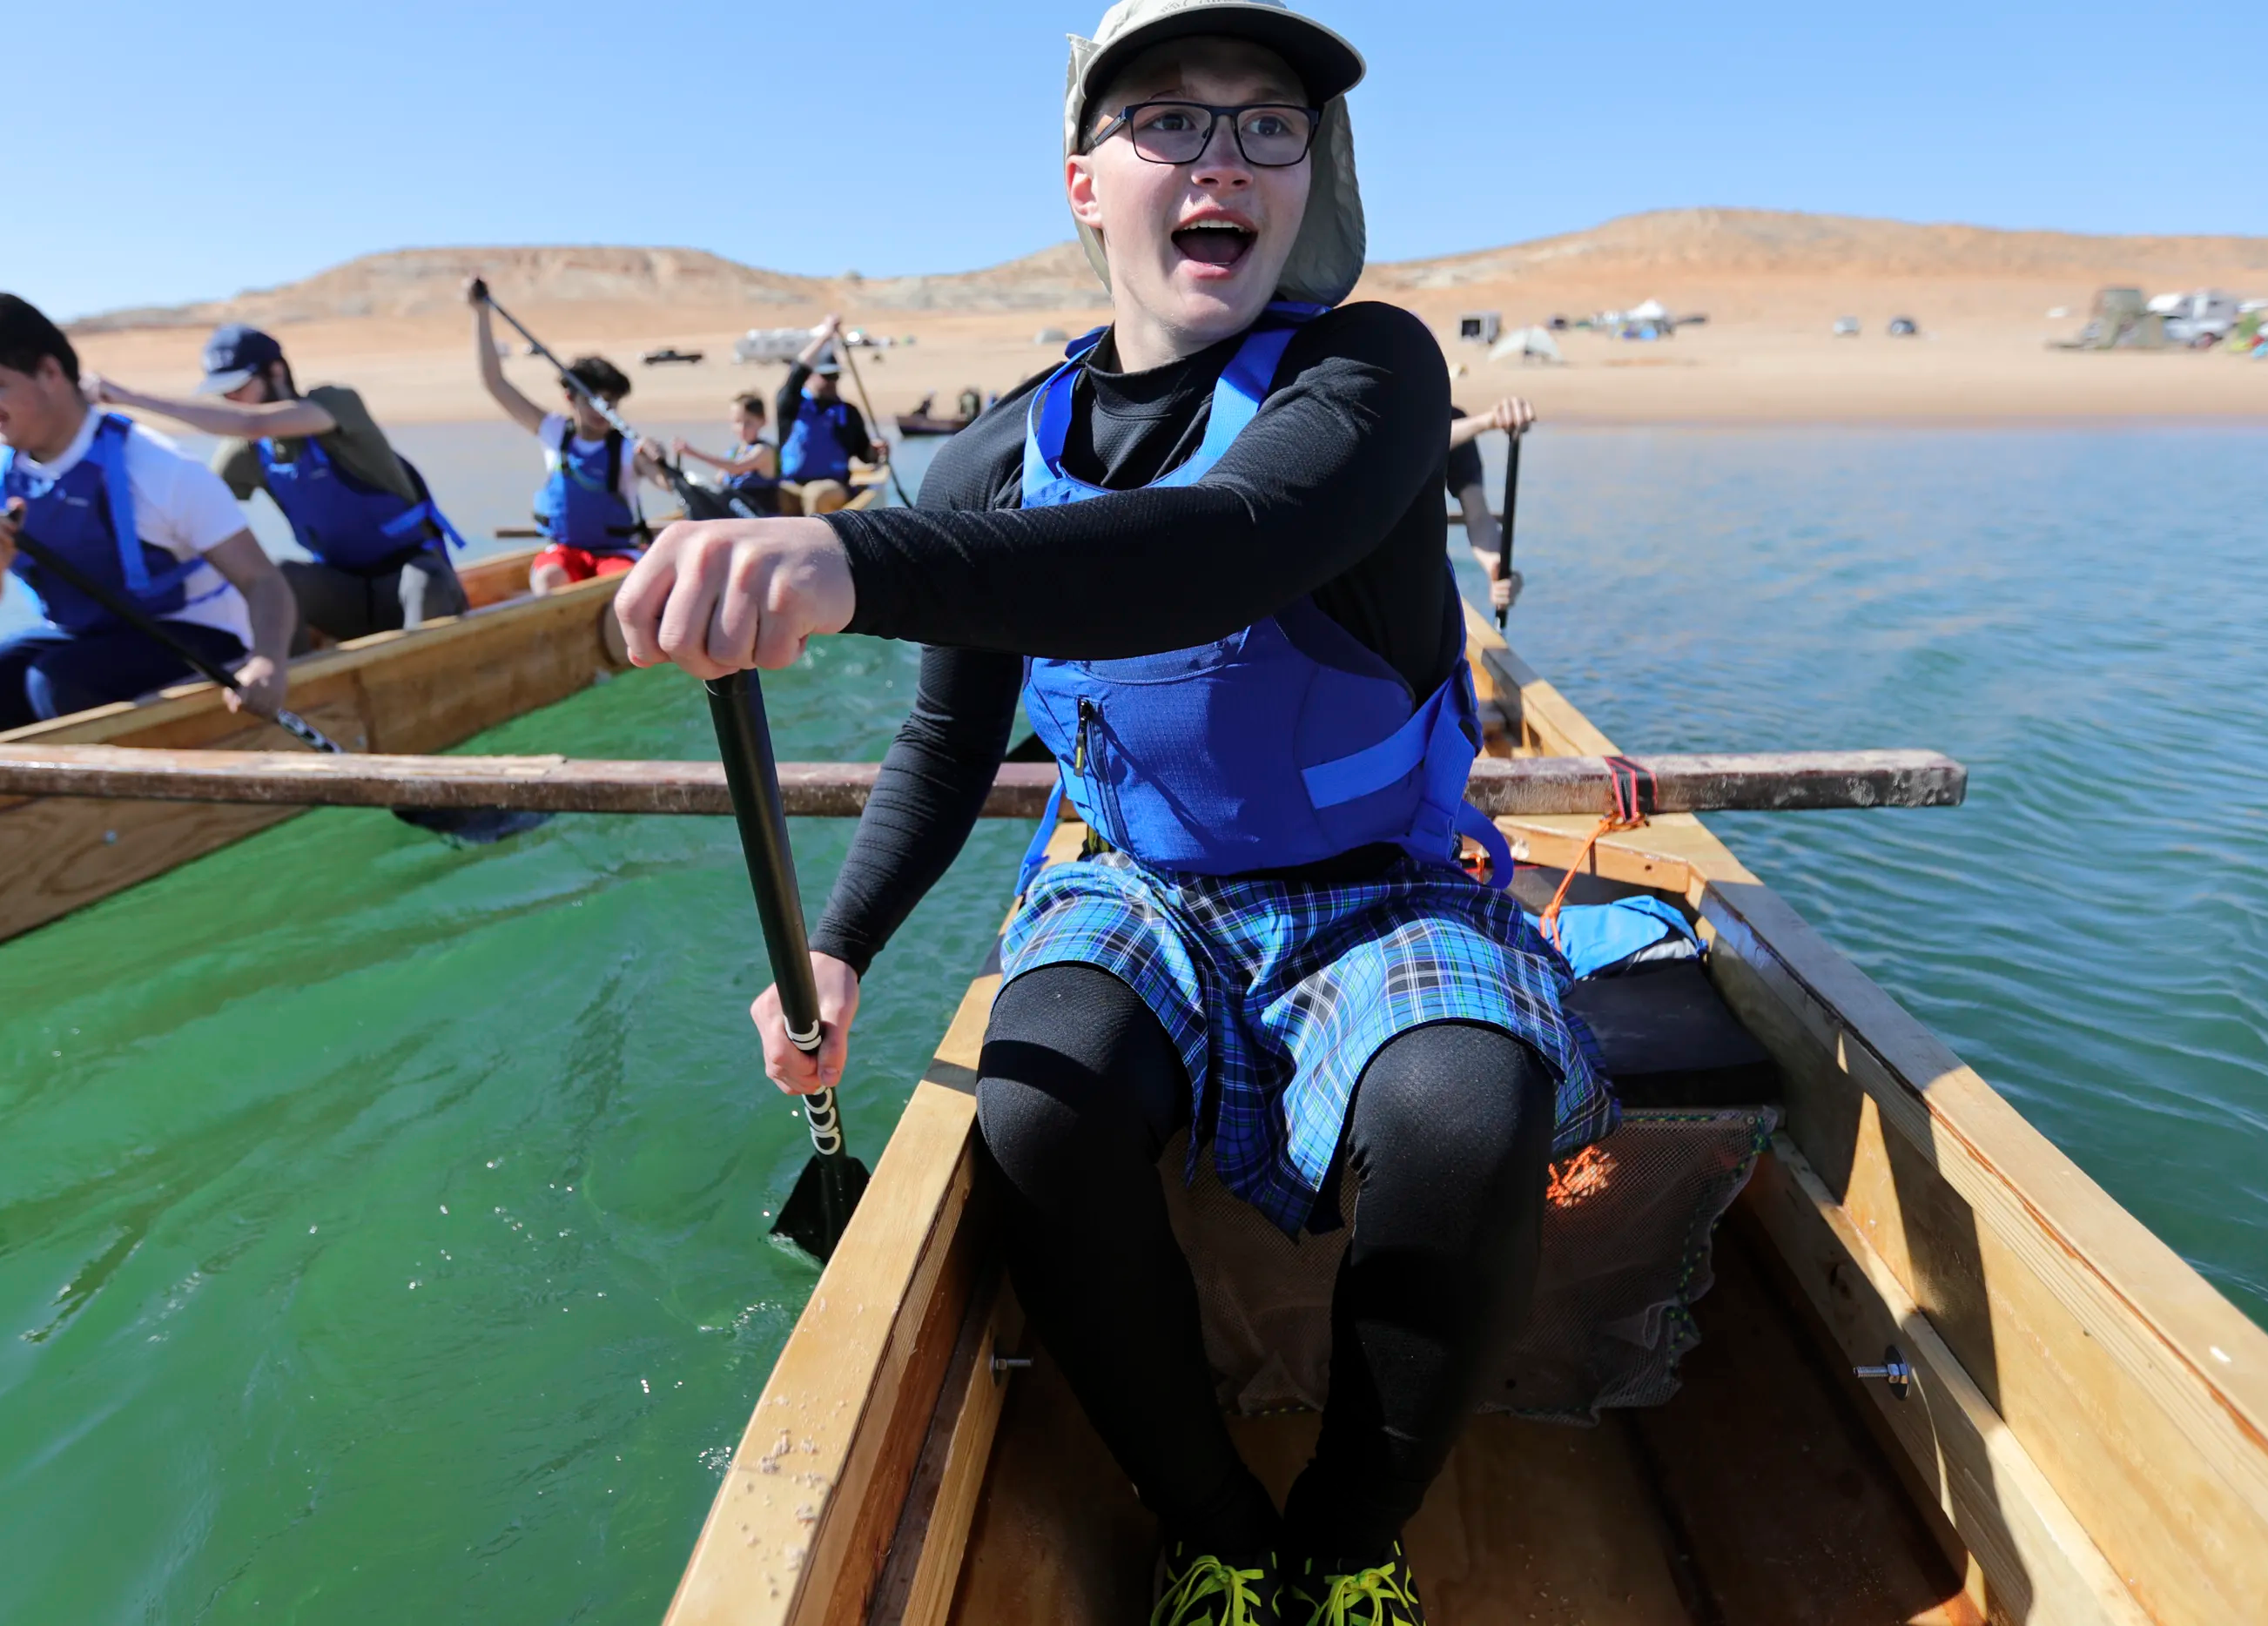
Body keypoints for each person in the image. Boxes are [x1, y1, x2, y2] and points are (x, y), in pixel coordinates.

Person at [609, 4, 1613, 1622]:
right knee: (1037, 1106)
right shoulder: (986, 466)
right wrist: (840, 945)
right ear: (1089, 184)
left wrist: (850, 560)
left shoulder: (1372, 374)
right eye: (1171, 122)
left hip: (1386, 886)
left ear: (1311, 176)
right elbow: (950, 745)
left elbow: (1219, 540)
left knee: (1462, 1111)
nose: (1223, 157)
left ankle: (1350, 1541)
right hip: (1143, 884)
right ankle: (1212, 1522)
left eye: (1266, 124)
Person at [0, 293, 296, 741]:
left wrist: (269, 663)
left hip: (201, 638)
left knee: (58, 684)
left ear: (49, 373)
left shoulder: (160, 467)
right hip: (78, 637)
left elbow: (263, 581)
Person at [87, 325, 468, 648]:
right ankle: (302, 688)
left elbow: (252, 424)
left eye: (238, 387)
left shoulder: (335, 403)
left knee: (423, 581)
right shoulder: (246, 453)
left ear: (276, 372)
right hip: (349, 592)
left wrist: (129, 399)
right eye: (223, 392)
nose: (230, 400)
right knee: (281, 581)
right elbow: (193, 510)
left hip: (414, 580)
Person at [463, 279, 670, 595]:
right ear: (570, 399)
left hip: (616, 554)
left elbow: (664, 482)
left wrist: (660, 459)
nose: (602, 410)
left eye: (610, 402)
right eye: (593, 400)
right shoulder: (553, 432)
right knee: (548, 580)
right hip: (566, 553)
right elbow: (495, 383)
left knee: (626, 587)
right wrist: (480, 313)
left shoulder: (627, 447)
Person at [774, 313, 886, 514]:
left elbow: (865, 455)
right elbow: (797, 370)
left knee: (816, 494)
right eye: (825, 376)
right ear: (810, 377)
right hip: (791, 484)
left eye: (835, 376)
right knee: (773, 493)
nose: (831, 382)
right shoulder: (791, 405)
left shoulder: (848, 412)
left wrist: (877, 452)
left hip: (832, 486)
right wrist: (825, 337)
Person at [1447, 398, 1532, 615]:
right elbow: (1413, 442)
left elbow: (1478, 517)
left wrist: (1498, 569)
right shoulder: (1358, 404)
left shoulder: (1451, 417)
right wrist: (1486, 422)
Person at [674, 392, 781, 515]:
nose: (742, 428)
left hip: (760, 516)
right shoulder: (734, 452)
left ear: (763, 421)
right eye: (737, 422)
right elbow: (717, 483)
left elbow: (737, 467)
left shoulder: (764, 451)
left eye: (748, 422)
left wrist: (693, 453)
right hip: (734, 516)